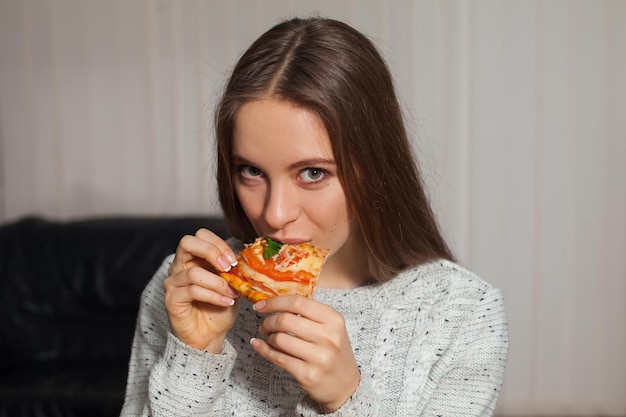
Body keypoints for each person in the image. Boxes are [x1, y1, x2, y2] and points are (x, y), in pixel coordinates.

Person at [121, 16, 508, 416]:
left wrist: (345, 398)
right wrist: (194, 360)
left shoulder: (464, 313)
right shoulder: (183, 289)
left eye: (313, 173)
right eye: (251, 171)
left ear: (375, 168)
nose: (275, 214)